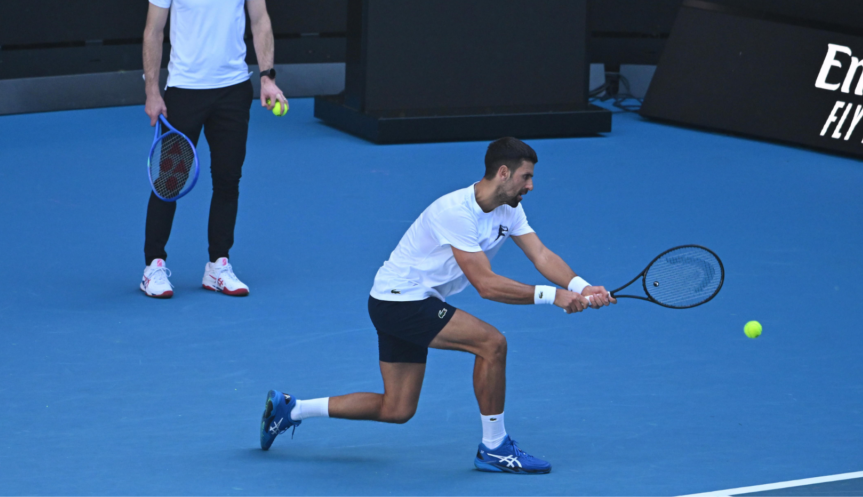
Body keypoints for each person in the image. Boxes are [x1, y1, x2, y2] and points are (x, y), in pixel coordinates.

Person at [259, 137, 616, 474]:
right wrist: (552, 296)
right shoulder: (455, 212)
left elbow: (541, 253)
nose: (531, 186)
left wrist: (581, 287)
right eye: (526, 177)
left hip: (403, 301)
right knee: (492, 344)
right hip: (401, 302)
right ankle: (494, 447)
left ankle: (292, 409)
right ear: (503, 173)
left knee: (397, 409)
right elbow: (486, 285)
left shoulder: (509, 209)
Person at [139, 0, 287, 299]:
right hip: (184, 93)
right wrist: (152, 91)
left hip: (233, 91)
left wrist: (267, 76)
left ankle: (217, 265)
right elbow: (154, 32)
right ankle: (153, 266)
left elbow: (260, 20)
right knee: (168, 180)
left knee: (228, 179)